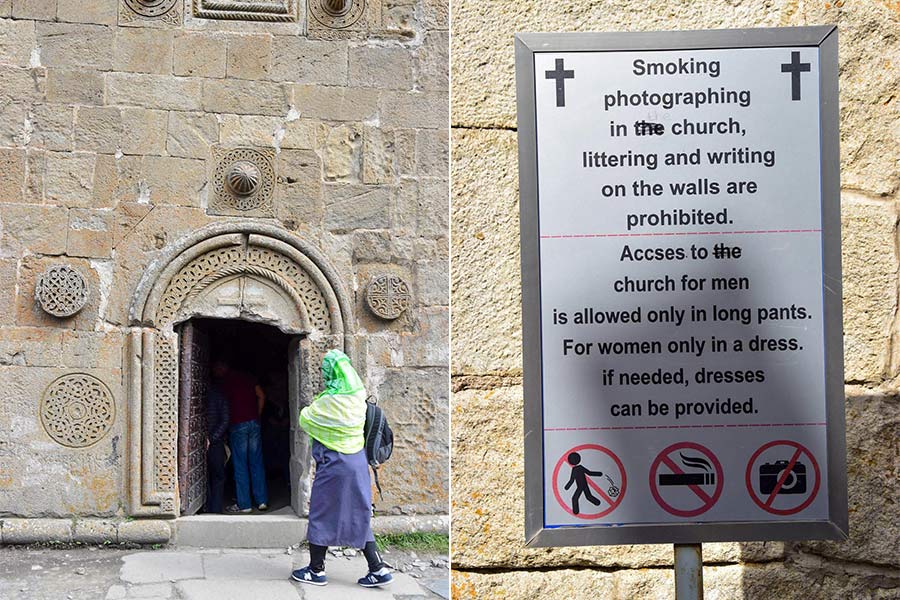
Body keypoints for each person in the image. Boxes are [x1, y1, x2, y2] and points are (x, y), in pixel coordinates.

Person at [291, 349, 392, 589]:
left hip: (334, 464)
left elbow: (306, 419)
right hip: (357, 462)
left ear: (331, 372)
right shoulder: (358, 395)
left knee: (321, 511)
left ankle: (316, 570)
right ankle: (377, 568)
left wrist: (314, 404)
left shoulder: (330, 401)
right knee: (359, 512)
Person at [213, 358, 269, 514]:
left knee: (240, 465)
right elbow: (261, 395)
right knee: (256, 462)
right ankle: (262, 500)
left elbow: (221, 407)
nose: (215, 373)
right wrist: (257, 415)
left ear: (221, 368)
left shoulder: (224, 383)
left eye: (216, 370)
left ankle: (244, 505)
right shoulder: (248, 378)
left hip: (238, 425)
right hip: (254, 423)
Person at [205, 381, 229, 514]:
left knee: (207, 476)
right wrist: (213, 438)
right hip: (216, 442)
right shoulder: (220, 396)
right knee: (218, 476)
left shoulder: (201, 396)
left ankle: (208, 508)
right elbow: (225, 420)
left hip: (198, 443)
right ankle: (215, 509)